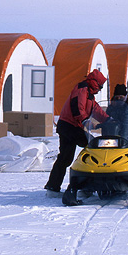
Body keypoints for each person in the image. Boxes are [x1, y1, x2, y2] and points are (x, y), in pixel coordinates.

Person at [44, 69, 109, 197]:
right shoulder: (82, 88)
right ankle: (85, 186)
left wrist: (108, 119)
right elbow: (76, 106)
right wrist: (84, 120)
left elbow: (96, 109)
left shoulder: (89, 94)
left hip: (72, 126)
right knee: (93, 147)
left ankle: (53, 187)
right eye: (100, 86)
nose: (101, 89)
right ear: (95, 83)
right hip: (69, 126)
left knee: (66, 157)